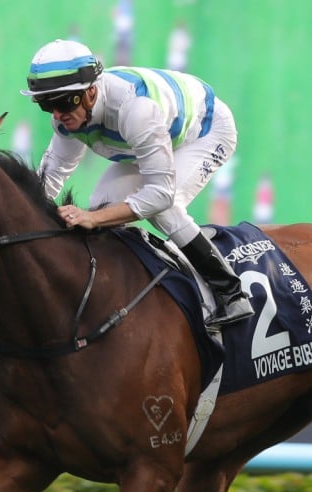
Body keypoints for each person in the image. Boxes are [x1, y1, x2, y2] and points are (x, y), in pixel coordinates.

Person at [21, 39, 253, 329]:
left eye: (63, 102)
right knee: (102, 204)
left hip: (205, 133)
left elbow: (161, 195)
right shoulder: (66, 117)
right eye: (46, 105)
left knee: (163, 210)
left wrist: (92, 218)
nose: (56, 114)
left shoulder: (135, 110)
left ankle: (231, 291)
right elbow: (51, 178)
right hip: (149, 141)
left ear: (91, 92)